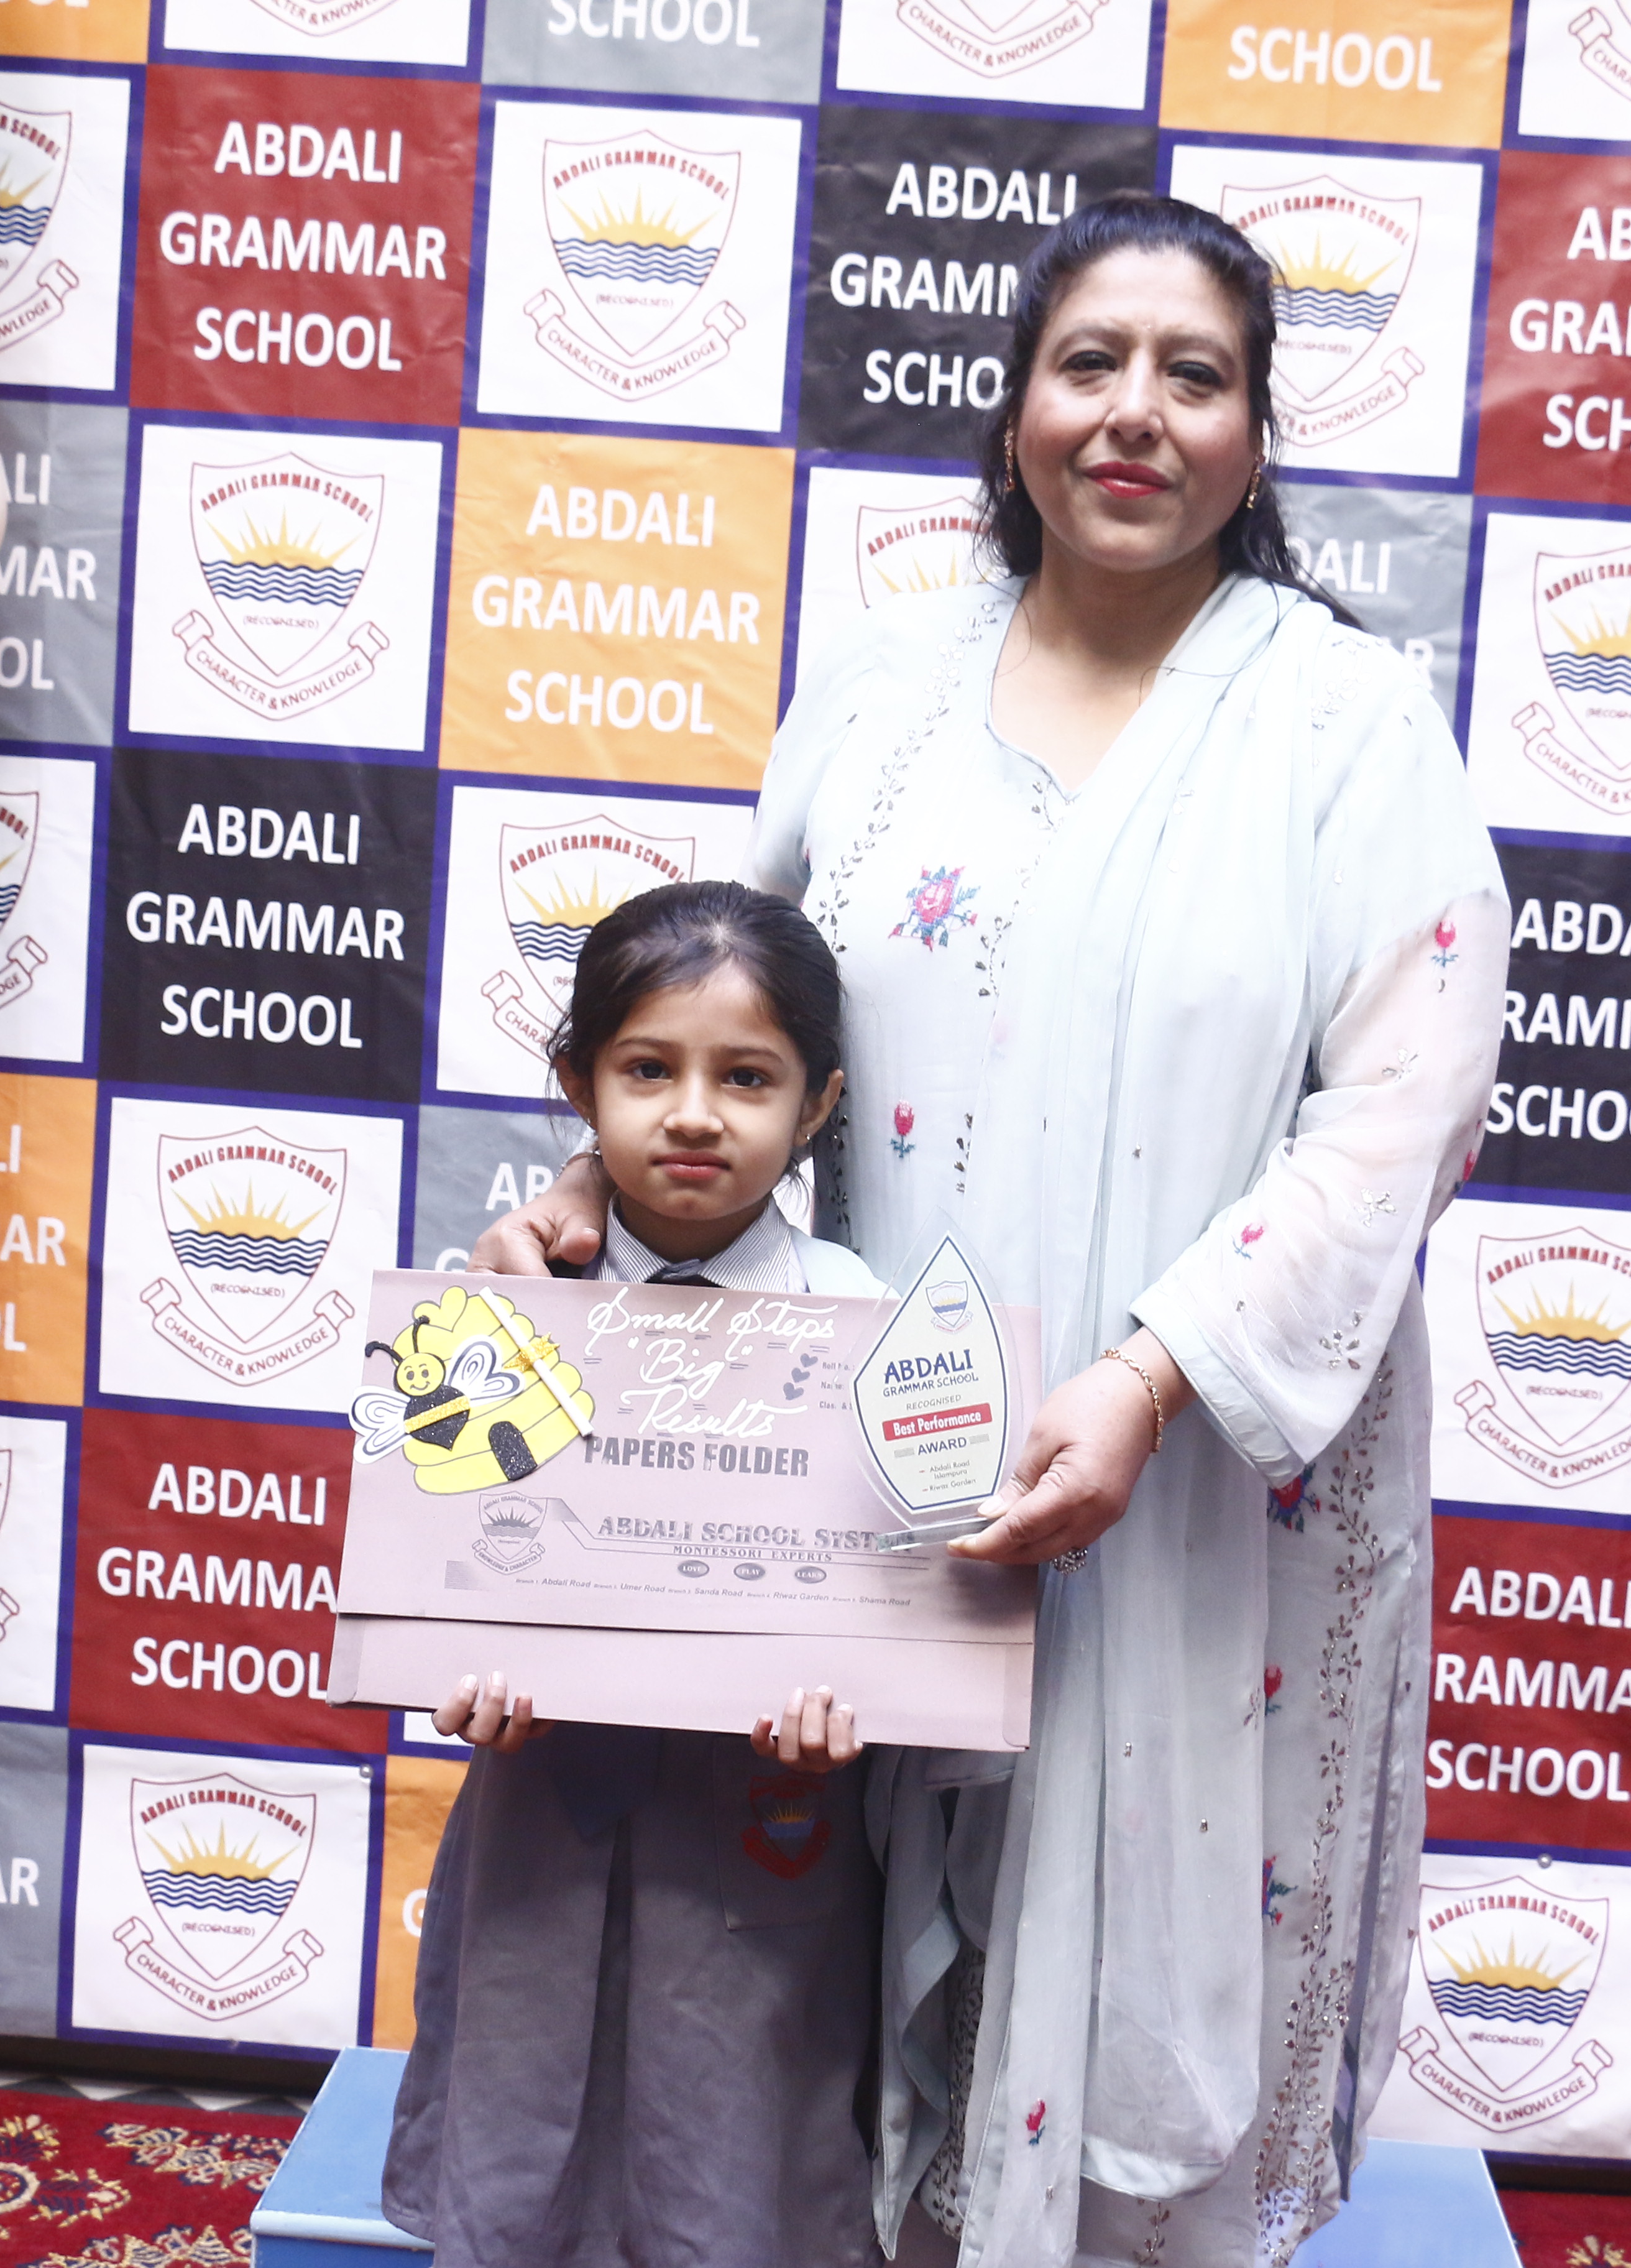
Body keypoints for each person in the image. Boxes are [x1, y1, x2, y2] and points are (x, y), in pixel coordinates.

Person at [476, 193, 1510, 2268]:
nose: (1135, 414)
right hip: (886, 1468)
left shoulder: (1343, 725)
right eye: (1089, 362)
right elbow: (740, 1018)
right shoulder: (881, 695)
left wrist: (1146, 1379)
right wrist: (593, 1189)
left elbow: (1407, 1101)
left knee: (1142, 1934)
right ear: (1017, 402)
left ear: (1255, 431)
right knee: (843, 1897)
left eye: (1194, 375)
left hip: (1193, 1475)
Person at [386, 880, 894, 2268]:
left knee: (731, 2139)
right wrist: (455, 1677)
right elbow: (440, 1574)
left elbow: (903, 1602)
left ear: (819, 1104)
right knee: (521, 2129)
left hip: (768, 1810)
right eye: (648, 1069)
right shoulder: (498, 1310)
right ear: (580, 1086)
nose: (694, 1115)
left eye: (749, 1078)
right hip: (541, 1794)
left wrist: (861, 1698)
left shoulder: (865, 1327)